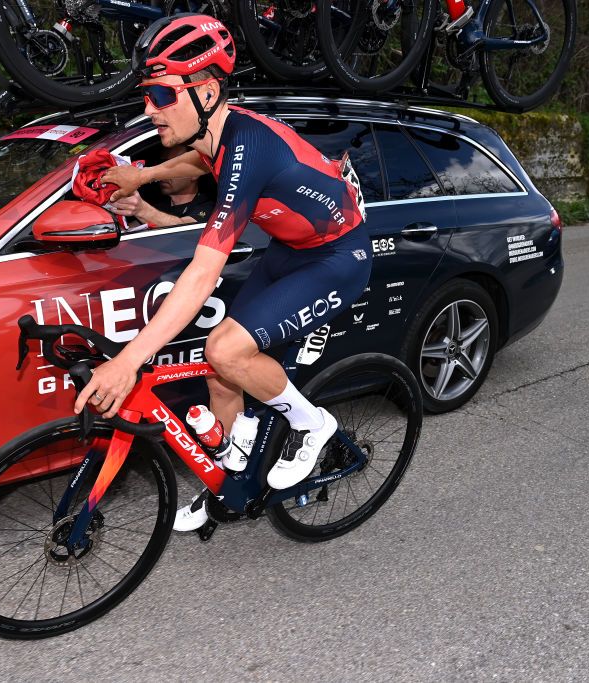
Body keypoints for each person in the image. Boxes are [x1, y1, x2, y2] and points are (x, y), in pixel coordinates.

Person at [72, 14, 371, 531]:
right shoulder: (222, 134)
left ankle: (312, 423)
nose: (149, 108)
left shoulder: (247, 152)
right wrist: (142, 178)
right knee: (221, 377)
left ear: (206, 92)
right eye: (147, 95)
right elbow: (195, 161)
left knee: (224, 349)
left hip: (338, 258)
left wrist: (129, 361)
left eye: (161, 96)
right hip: (291, 249)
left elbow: (203, 271)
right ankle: (229, 482)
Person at [109, 145, 213, 228]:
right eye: (161, 164)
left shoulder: (209, 206)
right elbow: (130, 232)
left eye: (172, 167)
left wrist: (141, 210)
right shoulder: (158, 205)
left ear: (194, 174)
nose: (162, 174)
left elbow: (186, 229)